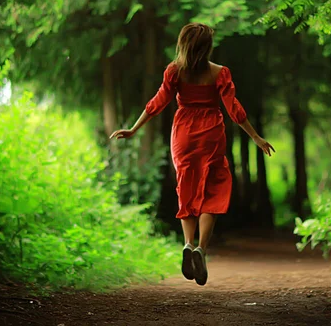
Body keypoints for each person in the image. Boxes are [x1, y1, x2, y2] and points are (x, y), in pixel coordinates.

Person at [110, 23, 274, 286]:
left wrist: (133, 129)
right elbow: (235, 109)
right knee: (213, 188)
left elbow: (157, 103)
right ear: (207, 46)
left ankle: (187, 243)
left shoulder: (174, 72)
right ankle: (201, 249)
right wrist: (255, 137)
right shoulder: (219, 73)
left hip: (183, 133)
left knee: (186, 187)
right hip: (211, 133)